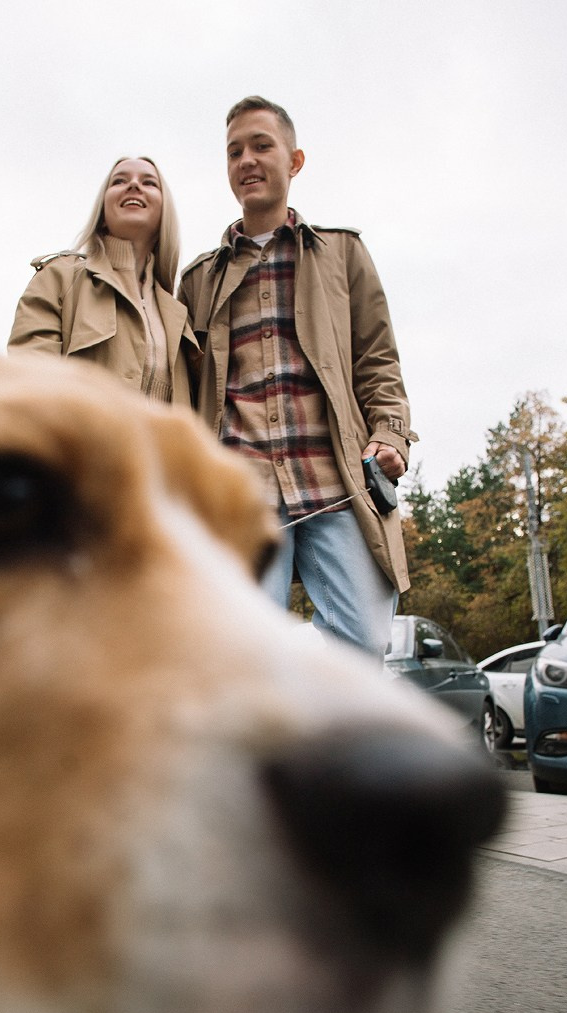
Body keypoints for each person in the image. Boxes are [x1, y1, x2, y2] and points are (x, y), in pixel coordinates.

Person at [178, 96, 416, 660]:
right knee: (243, 649)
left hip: (336, 481)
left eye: (261, 145)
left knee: (365, 640)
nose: (247, 160)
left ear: (295, 159)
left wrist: (390, 432)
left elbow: (378, 360)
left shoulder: (343, 254)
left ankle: (310, 700)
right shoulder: (196, 281)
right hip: (244, 492)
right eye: (235, 151)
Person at [8, 157, 198, 407]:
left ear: (165, 213)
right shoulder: (59, 278)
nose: (133, 185)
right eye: (119, 181)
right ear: (103, 213)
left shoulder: (180, 317)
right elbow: (30, 379)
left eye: (149, 183)